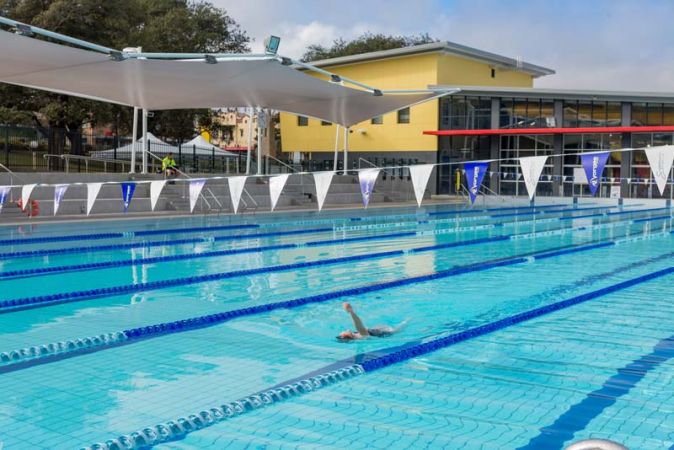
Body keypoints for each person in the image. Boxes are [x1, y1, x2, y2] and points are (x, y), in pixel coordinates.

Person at [336, 302, 405, 341]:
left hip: (379, 330)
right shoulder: (362, 334)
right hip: (389, 332)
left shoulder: (357, 335)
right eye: (342, 333)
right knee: (404, 323)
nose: (344, 330)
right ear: (346, 335)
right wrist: (351, 312)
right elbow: (358, 325)